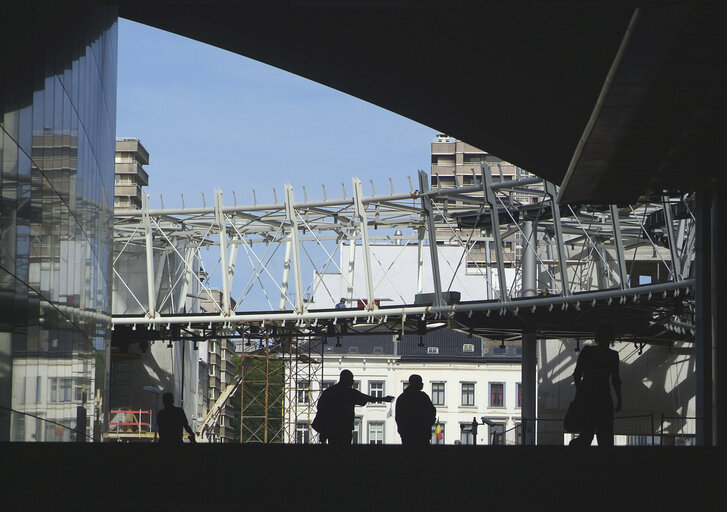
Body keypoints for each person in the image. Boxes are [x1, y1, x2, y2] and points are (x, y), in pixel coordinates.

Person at [570, 325, 622, 447]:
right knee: (605, 436)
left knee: (586, 434)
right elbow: (615, 380)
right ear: (611, 339)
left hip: (588, 396)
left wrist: (580, 393)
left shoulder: (587, 351)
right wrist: (619, 400)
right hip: (604, 398)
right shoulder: (613, 356)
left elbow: (577, 374)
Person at [312, 369, 394, 446]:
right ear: (347, 379)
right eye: (351, 379)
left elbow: (320, 407)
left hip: (330, 429)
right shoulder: (349, 392)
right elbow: (365, 398)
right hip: (344, 428)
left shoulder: (329, 391)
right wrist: (383, 399)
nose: (353, 381)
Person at [395, 374, 436, 447]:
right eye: (420, 382)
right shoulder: (423, 397)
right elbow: (432, 412)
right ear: (416, 383)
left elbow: (398, 418)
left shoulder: (402, 398)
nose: (422, 384)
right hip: (422, 435)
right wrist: (428, 424)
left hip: (407, 436)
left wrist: (402, 431)